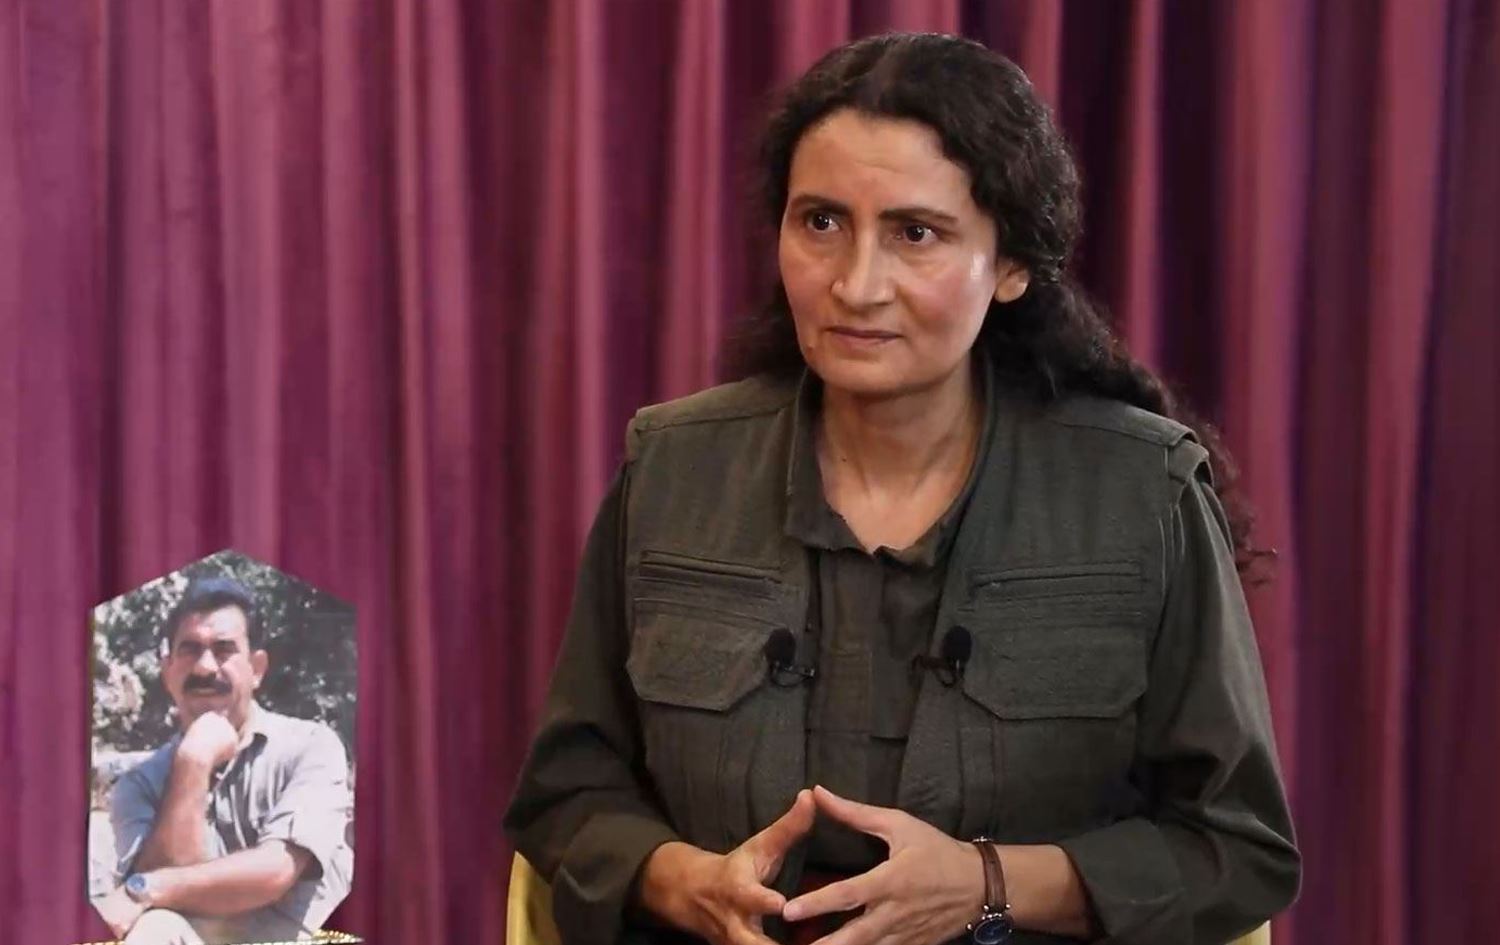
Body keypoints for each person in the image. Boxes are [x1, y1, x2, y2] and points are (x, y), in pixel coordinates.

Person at [504, 32, 1299, 945]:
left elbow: (1238, 850)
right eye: (821, 223)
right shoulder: (673, 467)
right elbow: (565, 793)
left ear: (1012, 264)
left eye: (915, 233)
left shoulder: (1143, 490)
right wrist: (684, 881)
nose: (856, 284)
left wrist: (987, 883)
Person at [93, 577, 354, 945]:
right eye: (189, 650)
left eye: (223, 649)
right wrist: (193, 762)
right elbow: (156, 904)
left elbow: (276, 871)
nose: (204, 667)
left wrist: (145, 889)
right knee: (152, 929)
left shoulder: (310, 747)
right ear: (168, 671)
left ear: (256, 669)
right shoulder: (139, 784)